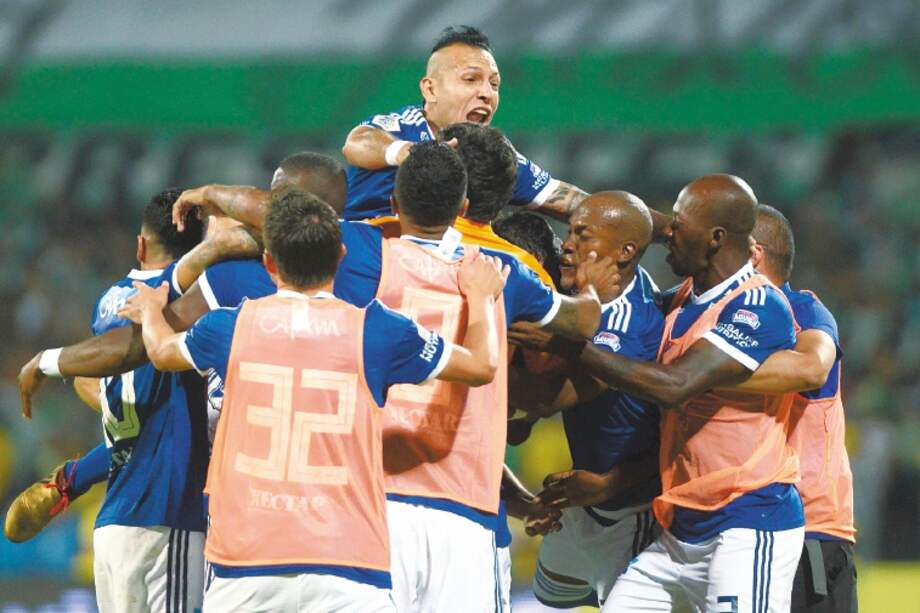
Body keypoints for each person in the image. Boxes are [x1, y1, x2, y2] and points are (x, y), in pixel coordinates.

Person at [170, 142, 611, 611]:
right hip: (464, 509)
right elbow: (582, 323)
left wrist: (213, 195)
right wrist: (591, 289)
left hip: (376, 507)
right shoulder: (501, 272)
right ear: (462, 209)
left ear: (396, 204)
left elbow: (289, 214)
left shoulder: (363, 250)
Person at [120, 191, 505, 611]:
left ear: (269, 263)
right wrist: (482, 298)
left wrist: (153, 311)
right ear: (340, 256)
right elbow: (481, 365)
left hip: (244, 564)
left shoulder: (228, 327)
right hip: (347, 566)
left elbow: (161, 353)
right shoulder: (376, 331)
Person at [542, 175, 804, 612]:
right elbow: (637, 228)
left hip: (748, 520)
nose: (668, 234)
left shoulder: (758, 306)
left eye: (679, 226)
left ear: (716, 238)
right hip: (681, 525)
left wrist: (562, 339)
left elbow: (674, 387)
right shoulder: (681, 299)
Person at [11, 189, 209, 612]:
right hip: (164, 516)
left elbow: (102, 381)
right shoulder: (185, 299)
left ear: (140, 245)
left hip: (115, 521)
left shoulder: (109, 301)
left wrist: (79, 475)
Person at [507, 192, 664, 608]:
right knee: (546, 601)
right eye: (568, 232)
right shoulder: (607, 292)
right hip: (580, 504)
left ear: (625, 252)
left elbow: (547, 397)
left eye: (582, 234)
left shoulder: (627, 326)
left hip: (630, 511)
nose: (568, 244)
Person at [732, 204, 856, 612]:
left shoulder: (802, 312)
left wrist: (698, 373)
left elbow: (813, 370)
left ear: (753, 254)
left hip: (809, 532)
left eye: (721, 246)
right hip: (751, 528)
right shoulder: (724, 316)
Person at [341, 25, 587, 221]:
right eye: (471, 79)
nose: (486, 93)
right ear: (430, 89)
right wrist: (412, 153)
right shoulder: (404, 128)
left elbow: (572, 203)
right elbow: (357, 142)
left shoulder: (492, 156)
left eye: (494, 84)